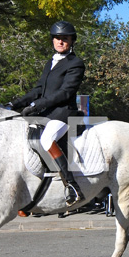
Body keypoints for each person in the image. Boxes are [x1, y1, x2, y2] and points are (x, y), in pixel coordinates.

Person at [10, 21, 86, 205]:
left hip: (63, 113)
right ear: (53, 40)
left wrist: (36, 105)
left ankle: (72, 185)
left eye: (65, 39)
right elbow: (38, 89)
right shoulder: (50, 62)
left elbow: (66, 92)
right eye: (57, 38)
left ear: (71, 41)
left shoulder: (75, 63)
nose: (60, 42)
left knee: (46, 139)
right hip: (45, 113)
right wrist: (14, 103)